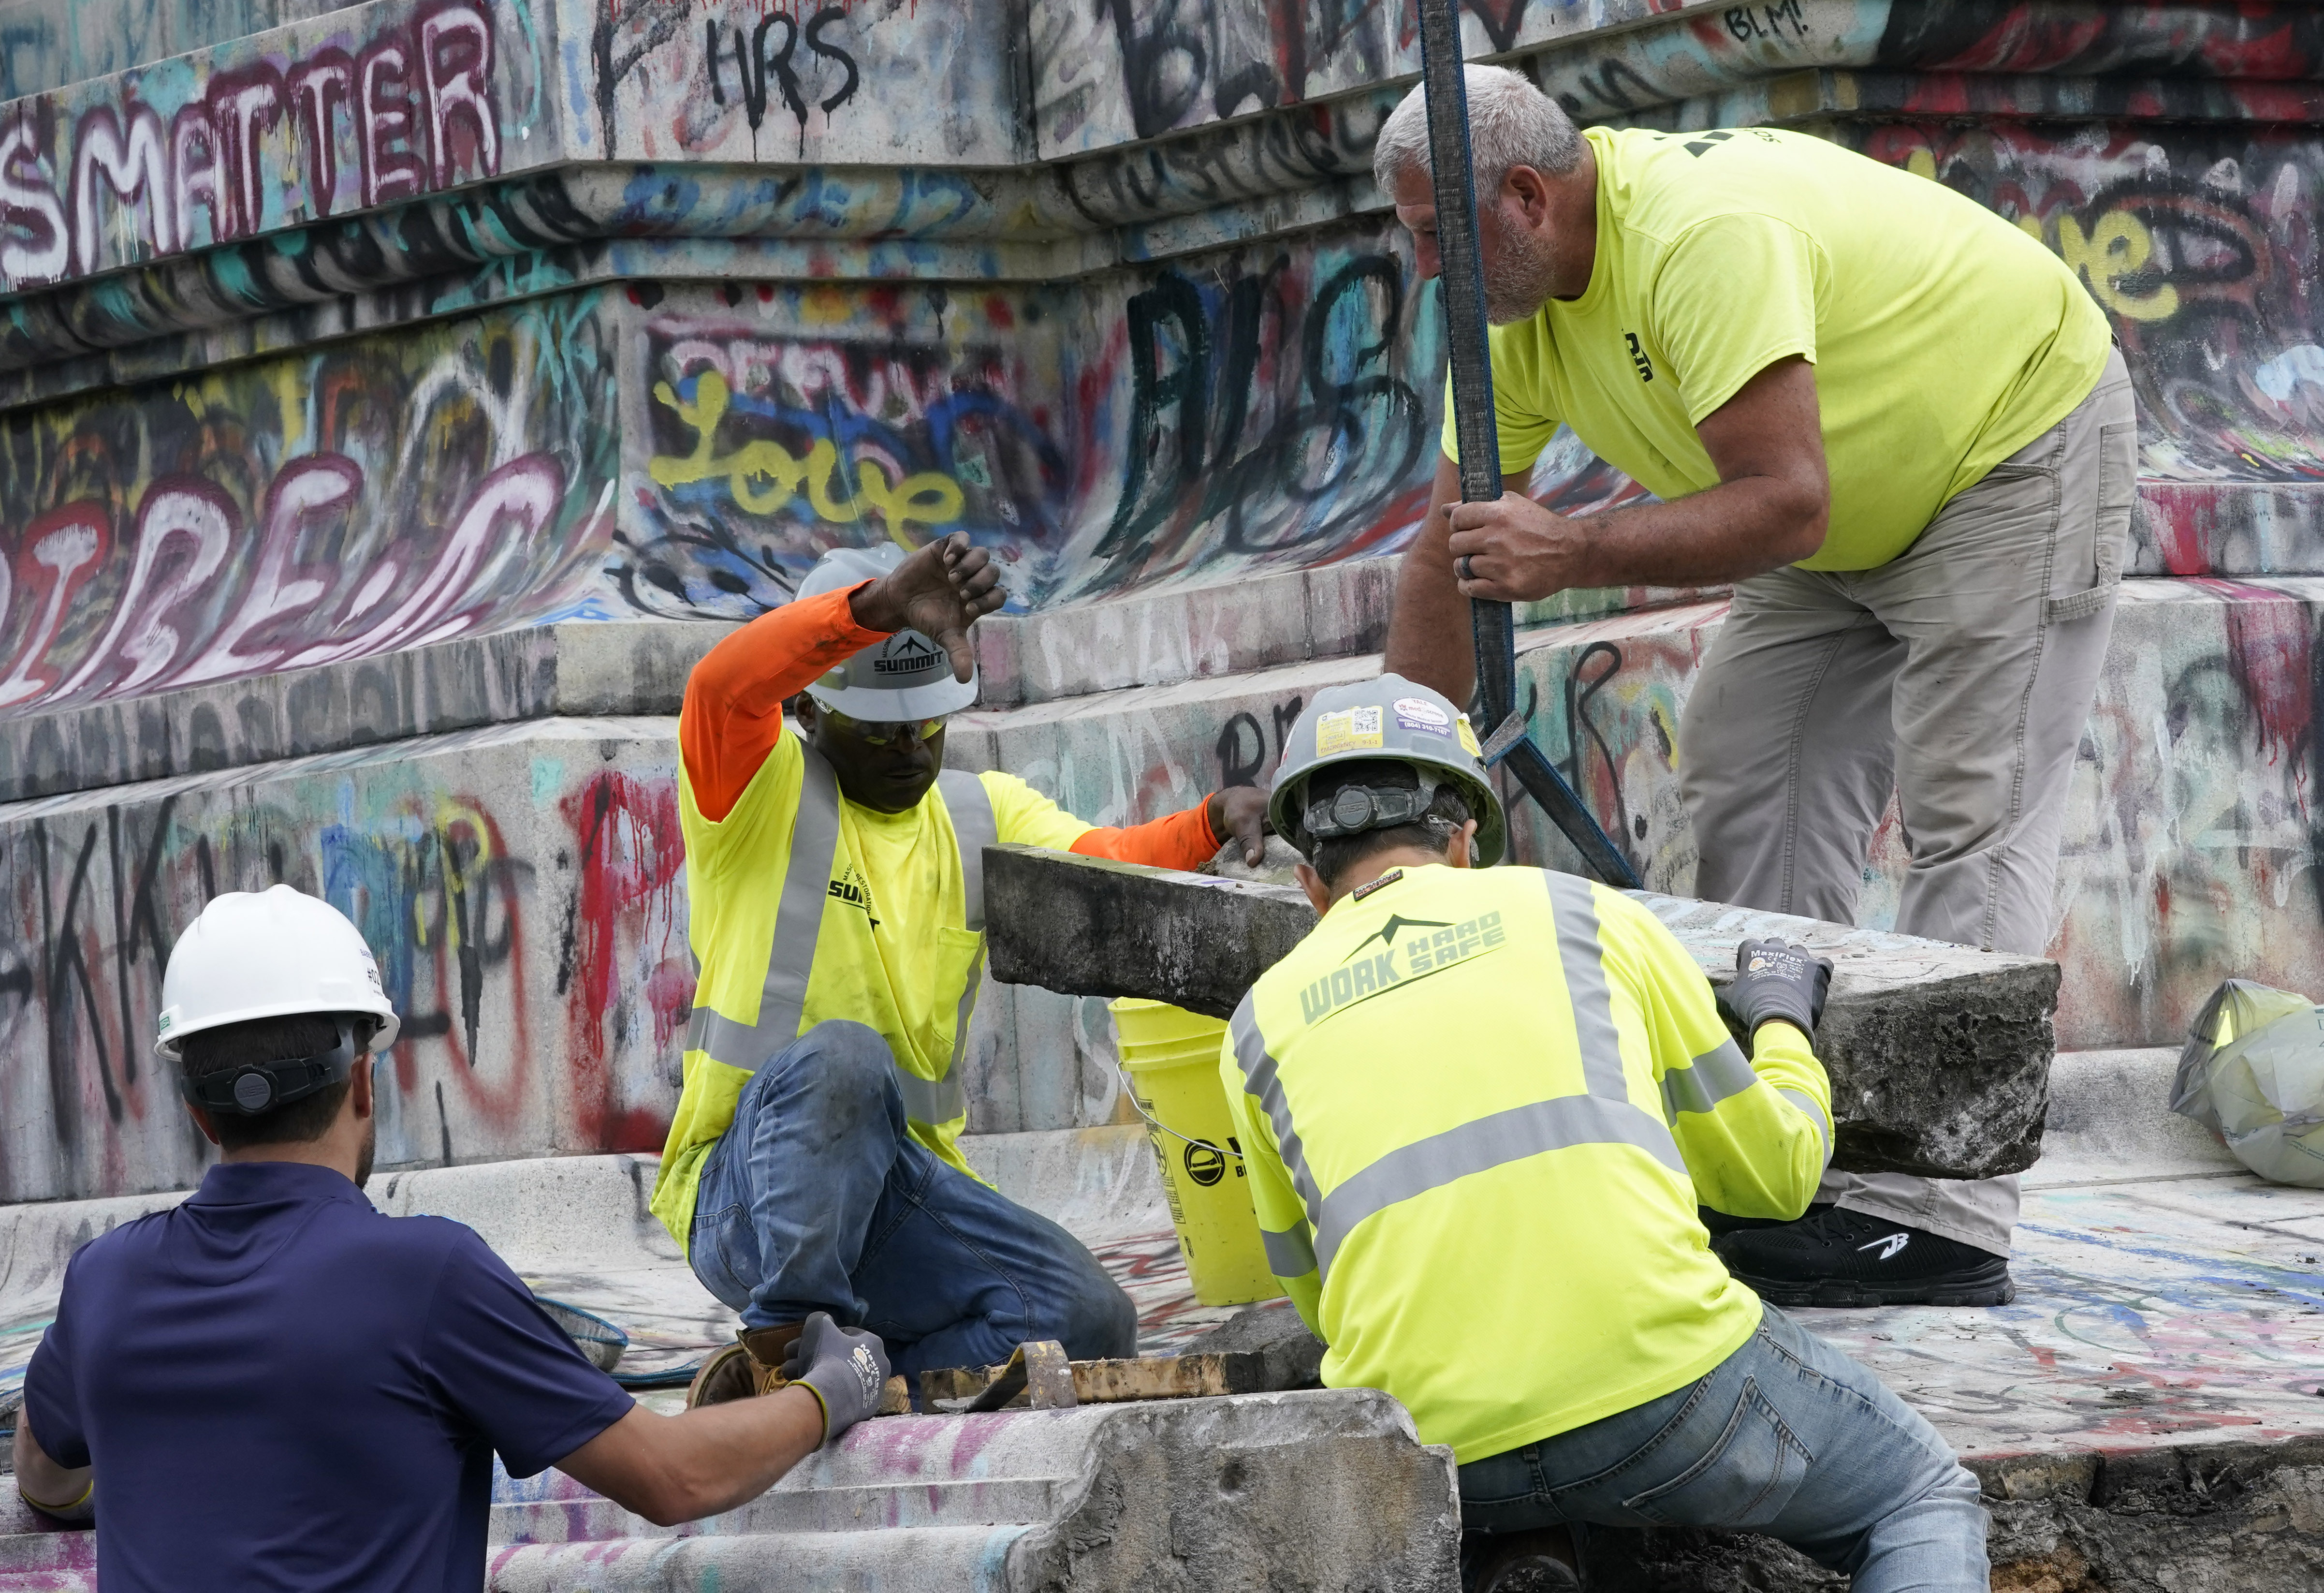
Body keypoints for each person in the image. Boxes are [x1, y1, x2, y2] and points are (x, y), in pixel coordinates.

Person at [1374, 67, 2131, 1306]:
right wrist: (1383, 784)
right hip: (1834, 520)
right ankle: (1782, 1162)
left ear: (1522, 198)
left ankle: (1942, 1220)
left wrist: (1577, 552)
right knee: (1742, 785)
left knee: (1970, 818)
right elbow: (1447, 552)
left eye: (1425, 240)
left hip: (2009, 449)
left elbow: (1787, 497)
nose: (1419, 274)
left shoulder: (1695, 241)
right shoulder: (1504, 316)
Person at [1224, 676, 1989, 1593]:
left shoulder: (1254, 1029)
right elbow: (1779, 1175)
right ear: (1467, 840)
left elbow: (1318, 1298)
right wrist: (1782, 1018)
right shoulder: (1584, 916)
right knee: (1919, 1496)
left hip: (1431, 1439)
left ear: (1310, 882)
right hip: (1665, 1391)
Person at [10, 885, 891, 1592]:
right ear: (363, 1077)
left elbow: (43, 1476)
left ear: (198, 1111)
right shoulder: (424, 1277)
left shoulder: (104, 1284)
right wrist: (834, 1388)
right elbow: (673, 1478)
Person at [656, 534, 1272, 1402]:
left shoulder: (977, 814)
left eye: (929, 723)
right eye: (882, 728)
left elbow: (1103, 858)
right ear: (810, 712)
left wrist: (1212, 820)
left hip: (898, 1191)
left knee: (1089, 1317)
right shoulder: (756, 790)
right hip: (747, 1196)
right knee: (846, 1056)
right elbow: (721, 686)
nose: (911, 746)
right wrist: (869, 608)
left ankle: (851, 1380)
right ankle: (786, 1347)